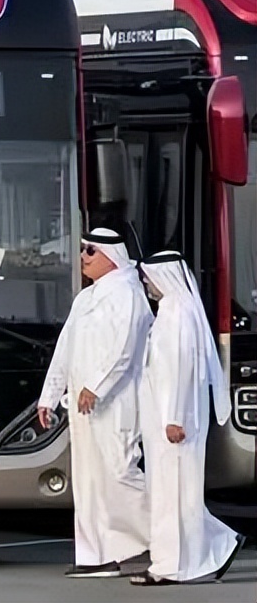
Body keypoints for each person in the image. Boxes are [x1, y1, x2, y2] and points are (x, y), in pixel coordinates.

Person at [37, 228, 152, 577]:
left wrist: (96, 387)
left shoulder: (129, 294)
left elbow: (124, 349)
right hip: (83, 404)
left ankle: (182, 531)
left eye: (90, 251)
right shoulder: (85, 299)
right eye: (83, 250)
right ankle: (96, 555)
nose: (83, 257)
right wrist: (49, 396)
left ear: (110, 256)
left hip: (116, 401)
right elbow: (65, 349)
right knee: (88, 480)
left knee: (120, 473)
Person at [131, 251, 244, 586]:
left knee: (174, 495)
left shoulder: (178, 314)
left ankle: (170, 566)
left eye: (149, 276)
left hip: (175, 423)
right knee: (175, 495)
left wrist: (174, 417)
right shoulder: (171, 312)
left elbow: (181, 371)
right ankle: (219, 543)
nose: (146, 282)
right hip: (166, 422)